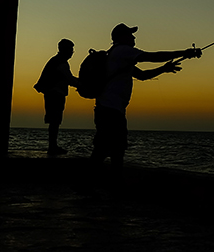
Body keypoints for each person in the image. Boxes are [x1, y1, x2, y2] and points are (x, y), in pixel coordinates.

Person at [91, 23, 201, 170]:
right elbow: (151, 56)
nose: (133, 37)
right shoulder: (123, 50)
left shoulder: (117, 55)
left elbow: (142, 75)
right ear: (121, 37)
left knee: (109, 148)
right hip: (110, 110)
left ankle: (100, 179)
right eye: (130, 34)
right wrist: (184, 53)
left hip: (109, 109)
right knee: (112, 149)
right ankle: (101, 180)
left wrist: (164, 69)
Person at [34, 38, 79, 155]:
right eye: (71, 50)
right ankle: (52, 147)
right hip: (55, 94)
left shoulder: (56, 61)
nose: (72, 53)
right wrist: (84, 84)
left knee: (54, 121)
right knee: (55, 121)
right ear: (65, 50)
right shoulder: (61, 63)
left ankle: (53, 146)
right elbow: (70, 79)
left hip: (52, 93)